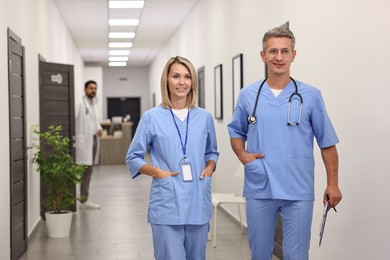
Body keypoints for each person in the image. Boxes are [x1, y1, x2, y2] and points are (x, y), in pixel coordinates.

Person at [227, 26, 342, 259]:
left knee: (297, 254)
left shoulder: (311, 95)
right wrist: (243, 155)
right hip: (260, 186)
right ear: (263, 56)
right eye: (272, 51)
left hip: (297, 188)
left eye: (284, 51)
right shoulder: (248, 95)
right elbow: (236, 131)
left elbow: (327, 143)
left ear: (293, 55)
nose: (279, 57)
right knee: (259, 253)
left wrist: (333, 184)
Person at [126, 56, 219, 260]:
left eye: (187, 77)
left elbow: (212, 152)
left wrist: (210, 167)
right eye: (176, 76)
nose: (182, 82)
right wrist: (157, 172)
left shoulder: (204, 117)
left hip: (197, 198)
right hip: (167, 201)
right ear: (166, 80)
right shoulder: (151, 117)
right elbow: (133, 157)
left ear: (193, 82)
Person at [75, 80, 103, 209]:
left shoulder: (93, 104)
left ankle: (84, 198)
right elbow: (74, 120)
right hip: (83, 141)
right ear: (85, 89)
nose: (93, 91)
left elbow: (95, 120)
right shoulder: (80, 103)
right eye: (91, 88)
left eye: (95, 89)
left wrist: (99, 127)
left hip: (93, 139)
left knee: (88, 170)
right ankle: (80, 198)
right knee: (83, 170)